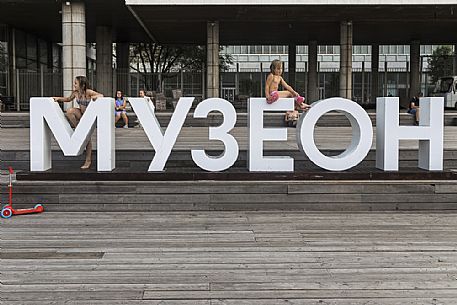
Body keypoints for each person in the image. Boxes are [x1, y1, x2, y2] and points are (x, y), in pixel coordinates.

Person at [53, 76, 103, 169]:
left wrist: (95, 96)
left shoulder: (88, 92)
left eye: (76, 83)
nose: (74, 85)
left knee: (87, 139)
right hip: (81, 114)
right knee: (69, 111)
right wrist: (58, 98)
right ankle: (78, 127)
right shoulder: (75, 93)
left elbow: (101, 95)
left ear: (82, 85)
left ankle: (88, 160)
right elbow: (68, 99)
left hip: (88, 117)